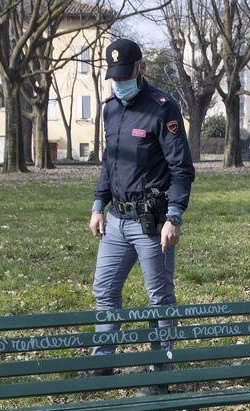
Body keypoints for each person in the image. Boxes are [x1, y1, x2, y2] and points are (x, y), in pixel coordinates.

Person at [86, 38, 195, 375]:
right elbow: (110, 162)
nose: (120, 84)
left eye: (125, 76)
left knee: (159, 298)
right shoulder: (110, 109)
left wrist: (173, 216)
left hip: (152, 222)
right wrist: (97, 204)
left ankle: (160, 366)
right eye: (114, 78)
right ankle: (104, 361)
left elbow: (181, 169)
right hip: (117, 220)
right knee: (104, 289)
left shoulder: (163, 108)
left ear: (141, 69)